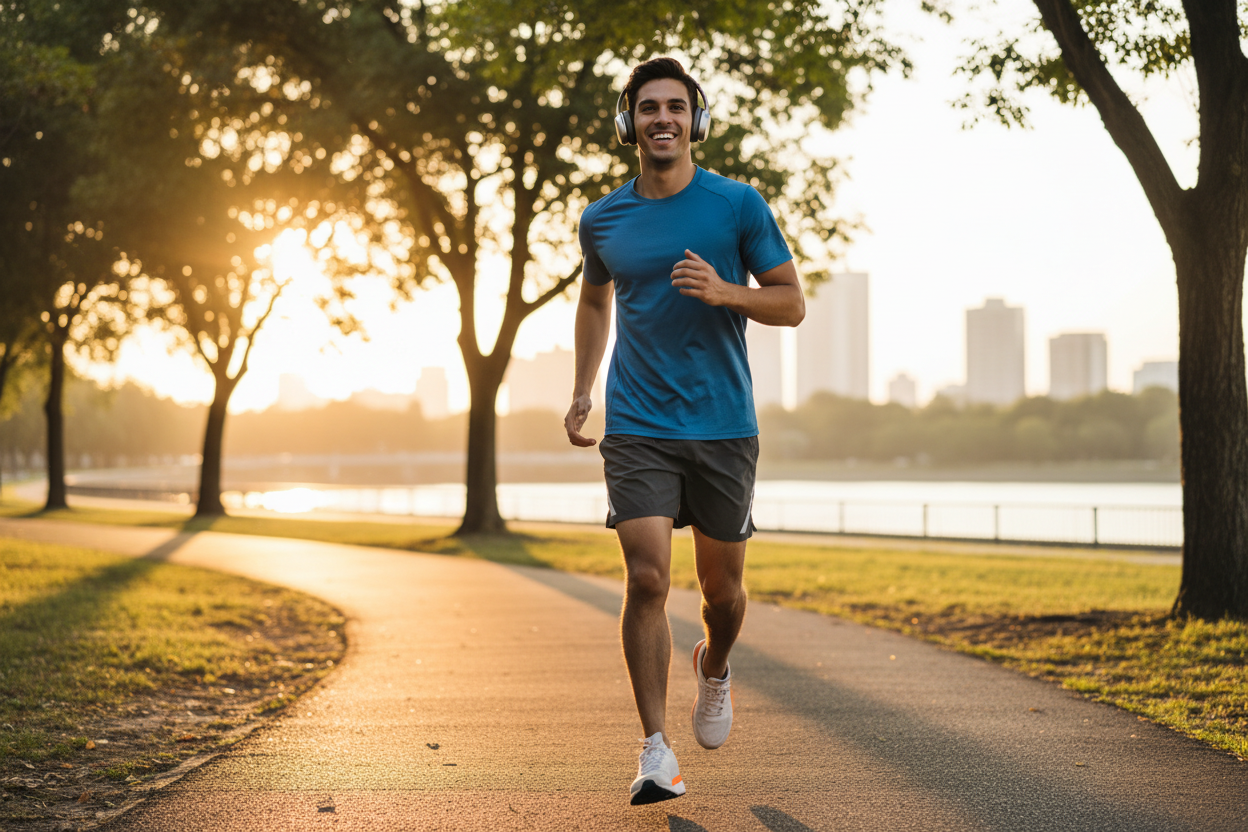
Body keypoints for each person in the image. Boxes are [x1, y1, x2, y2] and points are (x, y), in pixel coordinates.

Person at [564, 56, 805, 806]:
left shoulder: (737, 205)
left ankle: (716, 666)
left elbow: (791, 303)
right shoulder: (601, 218)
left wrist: (727, 290)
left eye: (675, 107)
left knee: (722, 595)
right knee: (645, 577)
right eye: (647, 108)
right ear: (627, 122)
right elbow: (596, 302)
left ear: (695, 121)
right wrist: (582, 390)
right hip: (637, 423)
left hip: (723, 425)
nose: (661, 118)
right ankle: (655, 751)